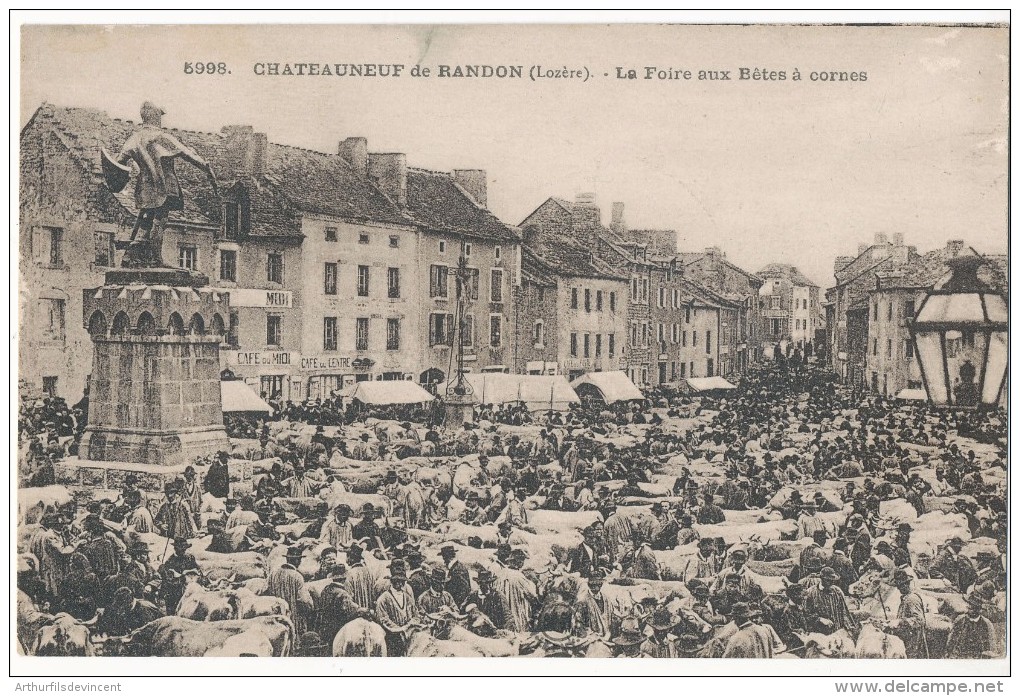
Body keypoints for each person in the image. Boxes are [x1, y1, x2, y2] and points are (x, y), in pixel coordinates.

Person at [374, 561, 420, 657]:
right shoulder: (383, 599)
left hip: (407, 636)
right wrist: (400, 629)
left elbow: (415, 614)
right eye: (396, 581)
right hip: (391, 637)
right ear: (392, 581)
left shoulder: (407, 597)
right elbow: (383, 619)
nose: (399, 584)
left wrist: (409, 625)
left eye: (402, 581)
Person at [267, 546, 312, 635]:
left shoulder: (273, 574)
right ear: (296, 561)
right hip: (293, 618)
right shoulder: (297, 576)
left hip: (276, 616)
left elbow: (267, 592)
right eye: (299, 560)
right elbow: (304, 600)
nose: (300, 562)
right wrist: (310, 607)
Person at [885, 569, 928, 659]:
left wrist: (900, 622)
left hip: (913, 641)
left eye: (901, 586)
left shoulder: (912, 599)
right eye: (898, 586)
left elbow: (920, 620)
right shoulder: (905, 598)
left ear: (906, 584)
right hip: (907, 637)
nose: (899, 588)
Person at [803, 567, 860, 635]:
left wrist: (850, 627)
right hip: (820, 633)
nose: (831, 583)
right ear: (822, 579)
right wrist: (820, 619)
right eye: (828, 580)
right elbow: (806, 614)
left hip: (837, 631)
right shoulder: (811, 593)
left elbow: (844, 611)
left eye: (833, 580)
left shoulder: (837, 591)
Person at [316, 564, 364, 645]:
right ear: (344, 578)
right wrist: (363, 609)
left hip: (325, 628)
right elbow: (351, 609)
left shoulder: (325, 590)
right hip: (338, 629)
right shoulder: (343, 593)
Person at [945, 592, 996, 659]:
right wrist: (949, 655)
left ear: (978, 609)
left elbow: (992, 646)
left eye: (971, 608)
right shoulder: (960, 620)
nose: (968, 609)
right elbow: (951, 640)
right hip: (961, 657)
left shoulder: (986, 624)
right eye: (968, 607)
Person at [158, 537, 198, 614]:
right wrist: (182, 577)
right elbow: (168, 580)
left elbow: (197, 570)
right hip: (175, 593)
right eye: (182, 549)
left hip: (189, 589)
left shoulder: (190, 558)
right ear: (176, 548)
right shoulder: (170, 561)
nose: (184, 551)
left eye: (185, 549)